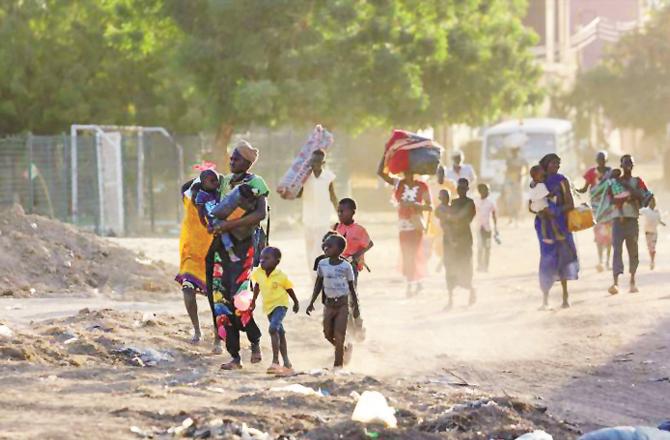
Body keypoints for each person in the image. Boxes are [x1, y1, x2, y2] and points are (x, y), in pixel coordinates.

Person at [206, 140, 269, 370]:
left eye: (237, 158)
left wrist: (229, 226)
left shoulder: (256, 183)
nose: (232, 161)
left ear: (248, 162)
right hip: (221, 248)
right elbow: (195, 191)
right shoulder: (224, 182)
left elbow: (260, 214)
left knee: (240, 300)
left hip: (244, 248)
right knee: (221, 301)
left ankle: (254, 341)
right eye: (231, 158)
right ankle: (234, 356)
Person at [377, 156, 432, 297]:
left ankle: (414, 283)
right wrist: (386, 154)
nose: (408, 174)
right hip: (403, 225)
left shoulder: (422, 186)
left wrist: (416, 205)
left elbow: (430, 206)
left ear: (415, 172)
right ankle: (412, 282)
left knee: (415, 252)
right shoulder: (398, 184)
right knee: (406, 253)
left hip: (416, 223)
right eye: (405, 171)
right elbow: (381, 173)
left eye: (410, 171)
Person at [531, 154, 579, 309]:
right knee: (547, 259)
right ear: (546, 164)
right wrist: (542, 212)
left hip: (560, 224)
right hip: (544, 226)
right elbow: (532, 204)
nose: (557, 166)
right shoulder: (538, 181)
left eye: (558, 164)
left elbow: (570, 204)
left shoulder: (562, 181)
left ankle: (565, 296)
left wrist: (556, 211)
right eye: (553, 163)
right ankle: (545, 298)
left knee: (563, 258)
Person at [306, 234, 361, 369]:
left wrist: (356, 307)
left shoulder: (346, 266)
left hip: (342, 304)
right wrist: (312, 302)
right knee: (327, 333)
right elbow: (318, 284)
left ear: (340, 249)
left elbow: (351, 288)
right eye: (325, 245)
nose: (326, 248)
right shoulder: (322, 264)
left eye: (330, 246)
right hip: (329, 304)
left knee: (339, 333)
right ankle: (344, 348)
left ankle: (338, 365)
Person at [176, 176, 215, 345]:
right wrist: (201, 177)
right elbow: (184, 187)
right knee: (187, 290)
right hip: (191, 257)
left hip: (214, 256)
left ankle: (218, 335)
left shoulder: (217, 206)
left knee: (215, 299)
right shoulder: (189, 203)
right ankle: (197, 330)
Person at [250, 247, 299, 375]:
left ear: (277, 261)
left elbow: (289, 289)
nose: (262, 261)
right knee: (280, 332)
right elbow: (257, 285)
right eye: (261, 258)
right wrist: (254, 300)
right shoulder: (259, 273)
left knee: (273, 329)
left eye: (266, 258)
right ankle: (287, 363)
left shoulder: (281, 276)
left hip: (280, 305)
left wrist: (296, 302)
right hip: (268, 307)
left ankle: (275, 362)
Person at [608, 155, 653, 295]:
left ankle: (632, 281)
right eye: (626, 163)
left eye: (630, 163)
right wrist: (629, 197)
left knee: (633, 252)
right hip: (617, 220)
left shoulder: (637, 181)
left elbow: (645, 196)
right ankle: (615, 282)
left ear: (633, 165)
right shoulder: (614, 182)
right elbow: (610, 199)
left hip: (632, 219)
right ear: (621, 165)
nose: (628, 166)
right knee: (617, 250)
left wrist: (630, 193)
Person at [334, 197, 373, 341]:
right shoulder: (336, 228)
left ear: (352, 212)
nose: (340, 213)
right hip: (336, 267)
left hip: (351, 267)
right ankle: (347, 329)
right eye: (338, 211)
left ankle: (358, 323)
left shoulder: (359, 230)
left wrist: (355, 256)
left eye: (342, 211)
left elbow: (369, 244)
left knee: (352, 296)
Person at [436, 179, 476, 309]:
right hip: (450, 240)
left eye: (464, 188)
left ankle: (471, 291)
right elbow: (442, 215)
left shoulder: (470, 203)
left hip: (464, 239)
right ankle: (450, 300)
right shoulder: (453, 203)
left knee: (465, 267)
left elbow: (459, 216)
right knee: (450, 268)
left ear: (467, 189)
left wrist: (447, 216)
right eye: (459, 188)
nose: (461, 190)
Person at [298, 149, 338, 278]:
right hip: (308, 219)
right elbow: (297, 194)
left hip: (323, 220)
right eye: (313, 160)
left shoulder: (328, 177)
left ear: (323, 162)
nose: (315, 163)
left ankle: (319, 277)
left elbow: (333, 196)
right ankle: (313, 279)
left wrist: (340, 214)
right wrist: (300, 179)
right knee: (309, 251)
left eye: (317, 161)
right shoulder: (305, 177)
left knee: (319, 250)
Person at [576, 151, 613, 272]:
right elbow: (584, 189)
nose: (601, 162)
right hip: (597, 209)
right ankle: (601, 261)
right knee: (599, 235)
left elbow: (615, 188)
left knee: (609, 236)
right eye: (599, 160)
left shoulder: (610, 172)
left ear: (606, 160)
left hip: (608, 208)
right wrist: (573, 190)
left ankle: (607, 261)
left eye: (603, 160)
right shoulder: (591, 172)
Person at [529, 165, 563, 244]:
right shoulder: (541, 185)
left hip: (534, 206)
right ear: (536, 176)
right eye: (542, 176)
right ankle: (557, 234)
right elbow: (549, 195)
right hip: (542, 205)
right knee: (552, 217)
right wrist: (556, 190)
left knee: (544, 220)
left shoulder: (532, 184)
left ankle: (545, 237)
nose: (543, 177)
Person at [475, 183, 498, 272]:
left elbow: (494, 215)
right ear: (480, 191)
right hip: (479, 228)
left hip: (488, 229)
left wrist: (496, 228)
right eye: (486, 190)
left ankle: (486, 266)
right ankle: (479, 265)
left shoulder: (491, 202)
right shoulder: (476, 201)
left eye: (488, 190)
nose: (488, 192)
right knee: (480, 247)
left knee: (487, 247)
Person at [501, 146, 527, 224]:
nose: (514, 153)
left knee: (519, 199)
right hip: (510, 181)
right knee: (509, 199)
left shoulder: (521, 159)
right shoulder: (509, 160)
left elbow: (527, 168)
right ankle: (511, 217)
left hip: (518, 182)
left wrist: (523, 174)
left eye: (515, 151)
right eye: (513, 151)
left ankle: (518, 216)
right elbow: (506, 170)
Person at [640, 199, 665, 270]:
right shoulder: (645, 210)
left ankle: (652, 261)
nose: (652, 204)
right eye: (651, 203)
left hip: (654, 232)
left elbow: (659, 220)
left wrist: (663, 224)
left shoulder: (657, 212)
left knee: (653, 247)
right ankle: (651, 260)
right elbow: (639, 212)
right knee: (649, 247)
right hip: (647, 232)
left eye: (653, 203)